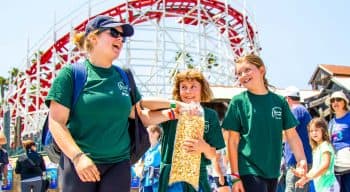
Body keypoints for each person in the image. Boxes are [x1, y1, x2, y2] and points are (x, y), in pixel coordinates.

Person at [45, 15, 186, 192]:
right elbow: (56, 122)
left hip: (118, 162)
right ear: (93, 38)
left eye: (123, 37)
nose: (120, 38)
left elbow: (138, 114)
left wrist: (172, 111)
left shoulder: (124, 75)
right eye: (113, 33)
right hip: (79, 162)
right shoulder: (71, 75)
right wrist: (78, 157)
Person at [221, 54, 307, 192]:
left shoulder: (279, 101)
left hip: (272, 171)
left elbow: (292, 135)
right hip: (248, 170)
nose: (243, 75)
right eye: (239, 73)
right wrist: (235, 176)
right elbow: (232, 141)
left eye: (247, 70)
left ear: (262, 70)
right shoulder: (238, 102)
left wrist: (301, 160)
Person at [157, 69, 226, 192]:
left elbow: (212, 154)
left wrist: (204, 147)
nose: (188, 91)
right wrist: (175, 104)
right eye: (183, 87)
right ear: (178, 90)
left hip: (198, 175)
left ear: (202, 89)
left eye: (193, 86)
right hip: (172, 176)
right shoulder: (173, 110)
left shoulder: (210, 115)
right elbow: (145, 105)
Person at [293, 118, 339, 192]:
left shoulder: (325, 145)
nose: (314, 133)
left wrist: (310, 177)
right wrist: (304, 179)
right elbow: (314, 169)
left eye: (316, 130)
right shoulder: (316, 149)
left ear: (323, 131)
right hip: (322, 188)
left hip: (329, 186)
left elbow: (325, 166)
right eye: (311, 131)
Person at [282, 86, 313, 192]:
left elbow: (287, 133)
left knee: (292, 188)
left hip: (297, 161)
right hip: (300, 160)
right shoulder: (303, 110)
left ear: (288, 99)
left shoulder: (296, 110)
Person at [326, 91, 350, 192]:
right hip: (335, 166)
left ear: (344, 102)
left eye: (338, 99)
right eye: (333, 100)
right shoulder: (331, 122)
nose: (335, 102)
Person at [139, 125, 162, 192]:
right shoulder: (146, 148)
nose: (145, 134)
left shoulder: (160, 148)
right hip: (145, 179)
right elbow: (142, 163)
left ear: (155, 134)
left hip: (156, 180)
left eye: (148, 132)